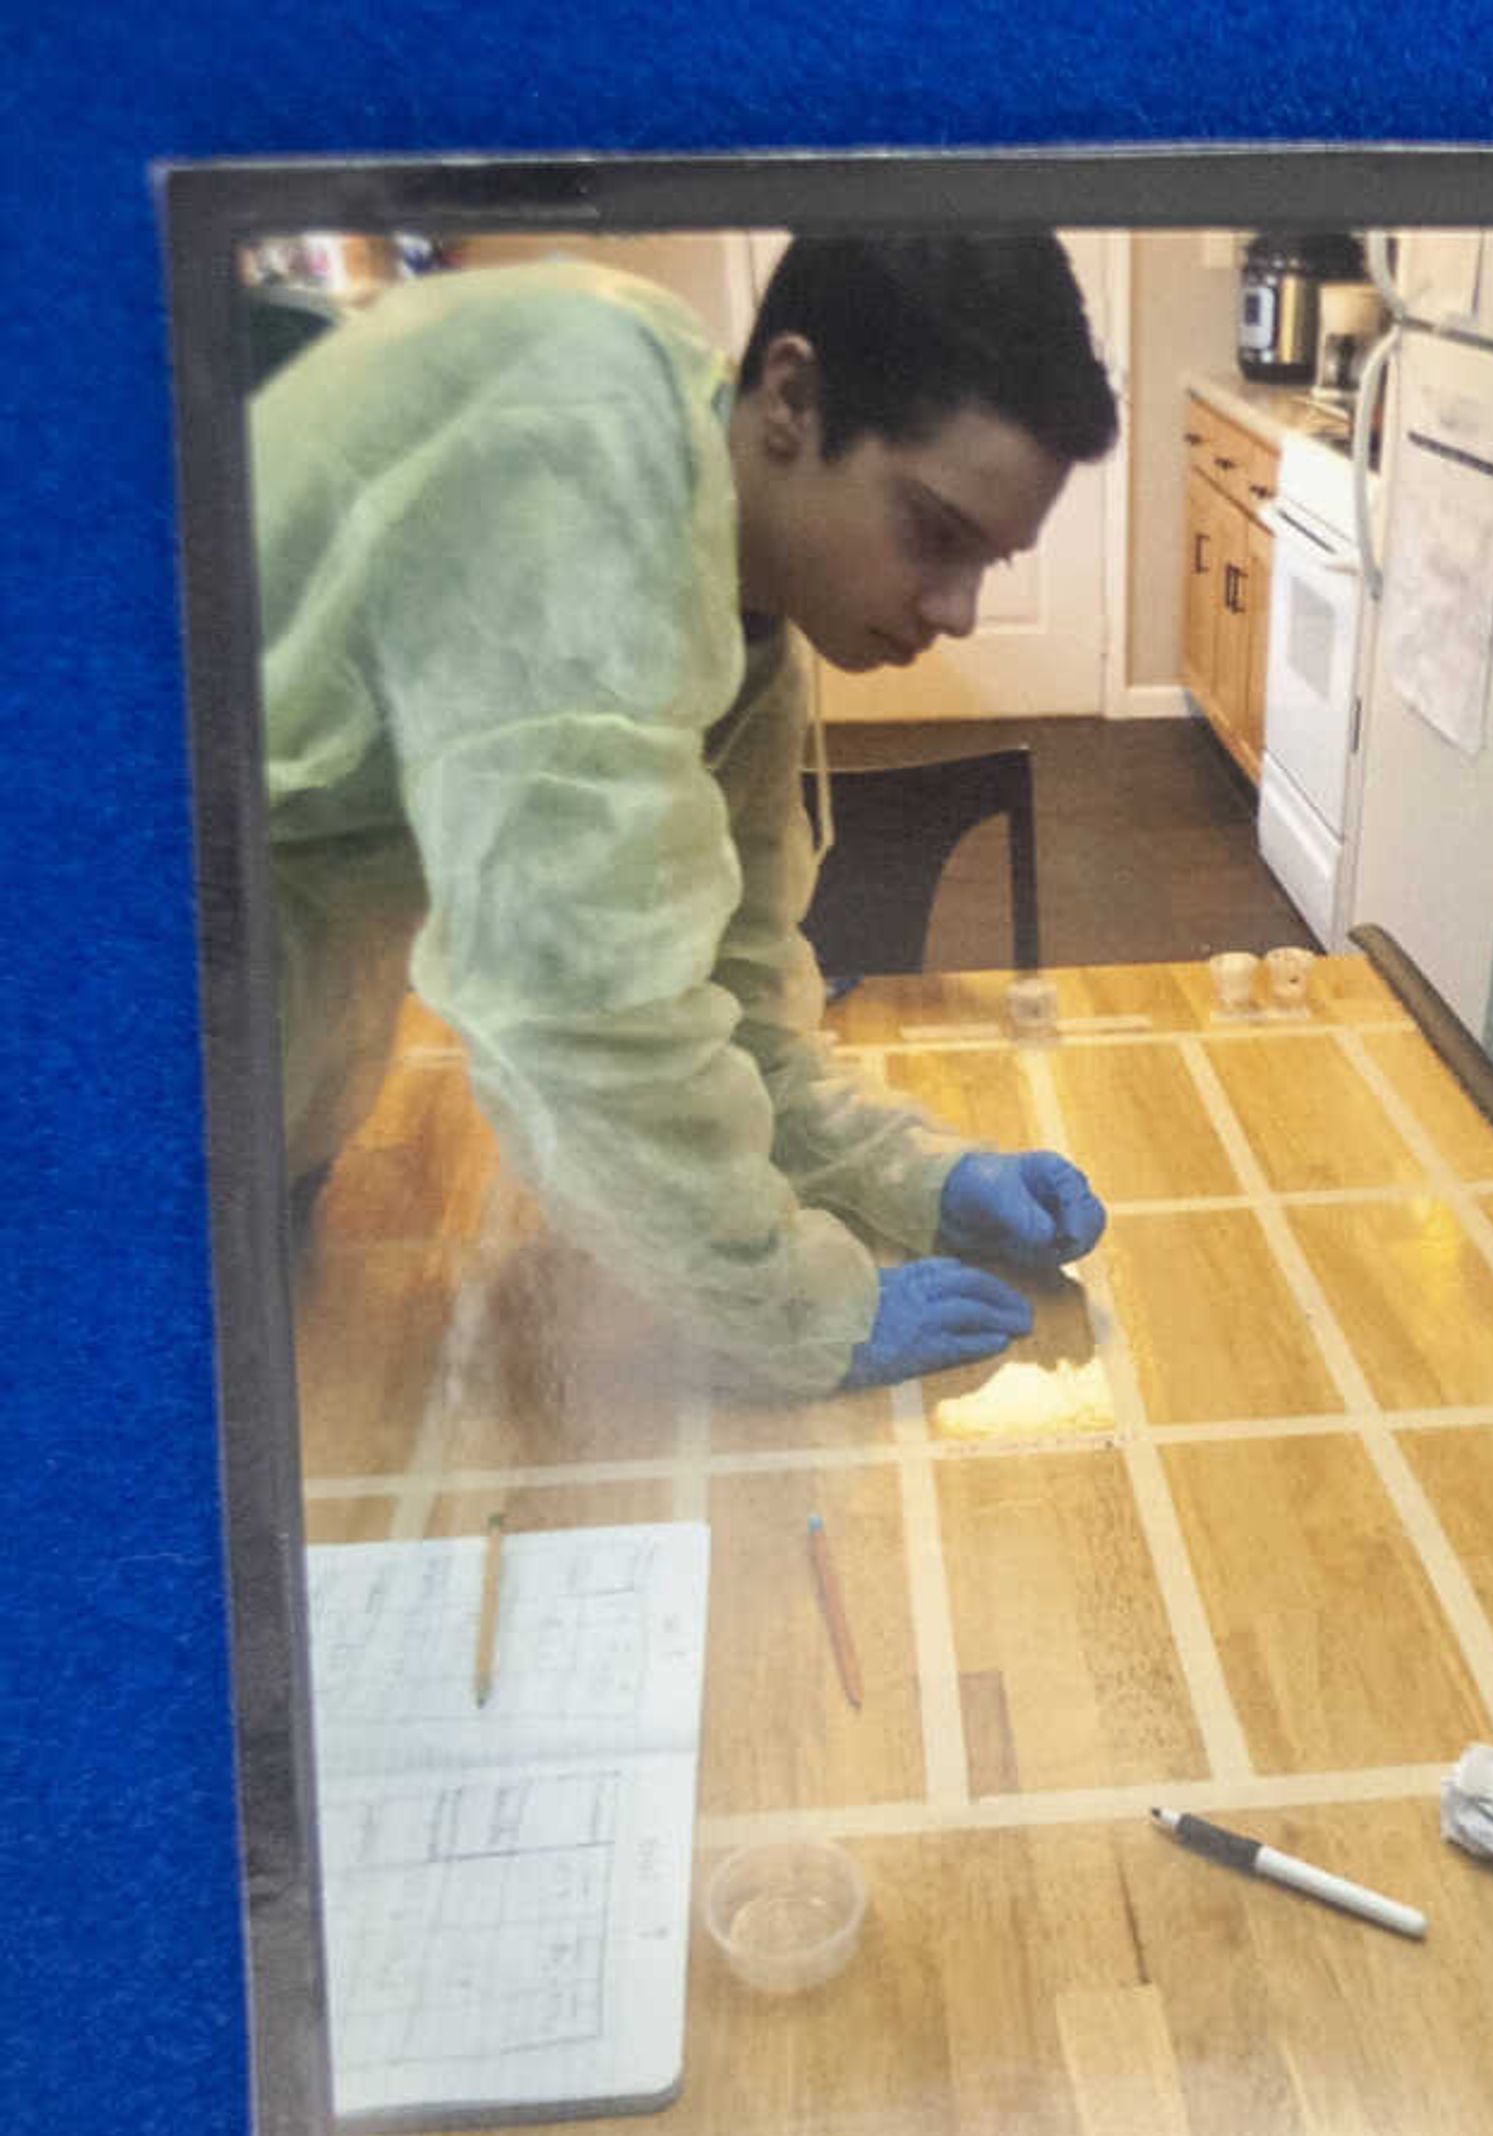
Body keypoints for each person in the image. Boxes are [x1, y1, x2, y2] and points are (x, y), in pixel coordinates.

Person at [255, 233, 1125, 1395]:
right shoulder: (573, 453)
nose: (960, 613)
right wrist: (800, 1308)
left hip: (286, 1001)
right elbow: (586, 1019)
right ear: (793, 397)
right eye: (934, 532)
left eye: (993, 566)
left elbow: (729, 1006)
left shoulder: (740, 613)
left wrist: (918, 1178)